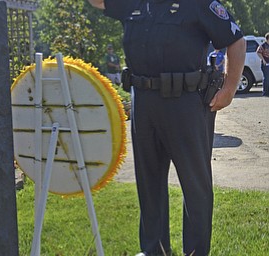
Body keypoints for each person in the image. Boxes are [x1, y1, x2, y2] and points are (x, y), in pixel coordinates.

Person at [87, 1, 246, 255]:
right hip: (144, 102)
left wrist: (229, 88)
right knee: (149, 184)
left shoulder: (198, 4)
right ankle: (155, 250)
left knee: (195, 186)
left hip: (186, 103)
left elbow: (235, 40)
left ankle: (195, 251)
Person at [256, 32, 269, 97]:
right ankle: (265, 93)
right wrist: (263, 60)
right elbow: (258, 52)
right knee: (266, 78)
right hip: (265, 64)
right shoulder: (263, 45)